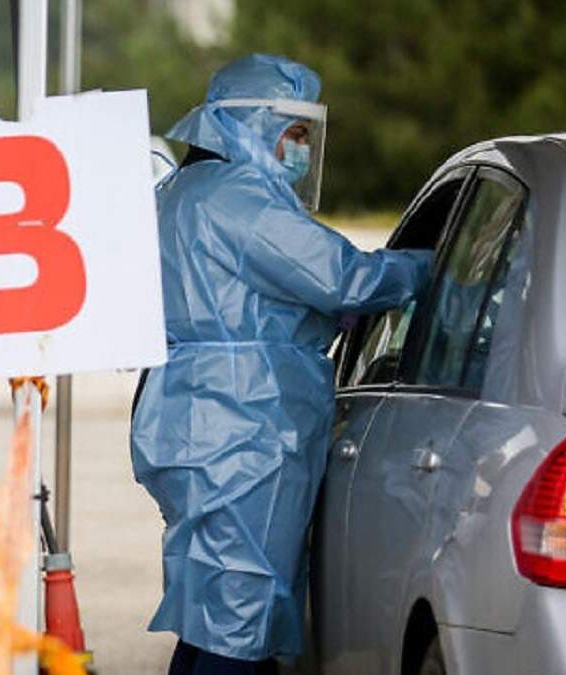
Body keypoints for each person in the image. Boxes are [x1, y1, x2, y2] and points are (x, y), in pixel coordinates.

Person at [129, 54, 433, 675]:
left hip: (201, 418)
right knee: (239, 622)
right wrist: (429, 267)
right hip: (243, 427)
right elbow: (343, 277)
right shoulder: (239, 199)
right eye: (293, 133)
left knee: (213, 611)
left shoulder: (187, 191)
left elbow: (260, 300)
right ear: (252, 124)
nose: (301, 150)